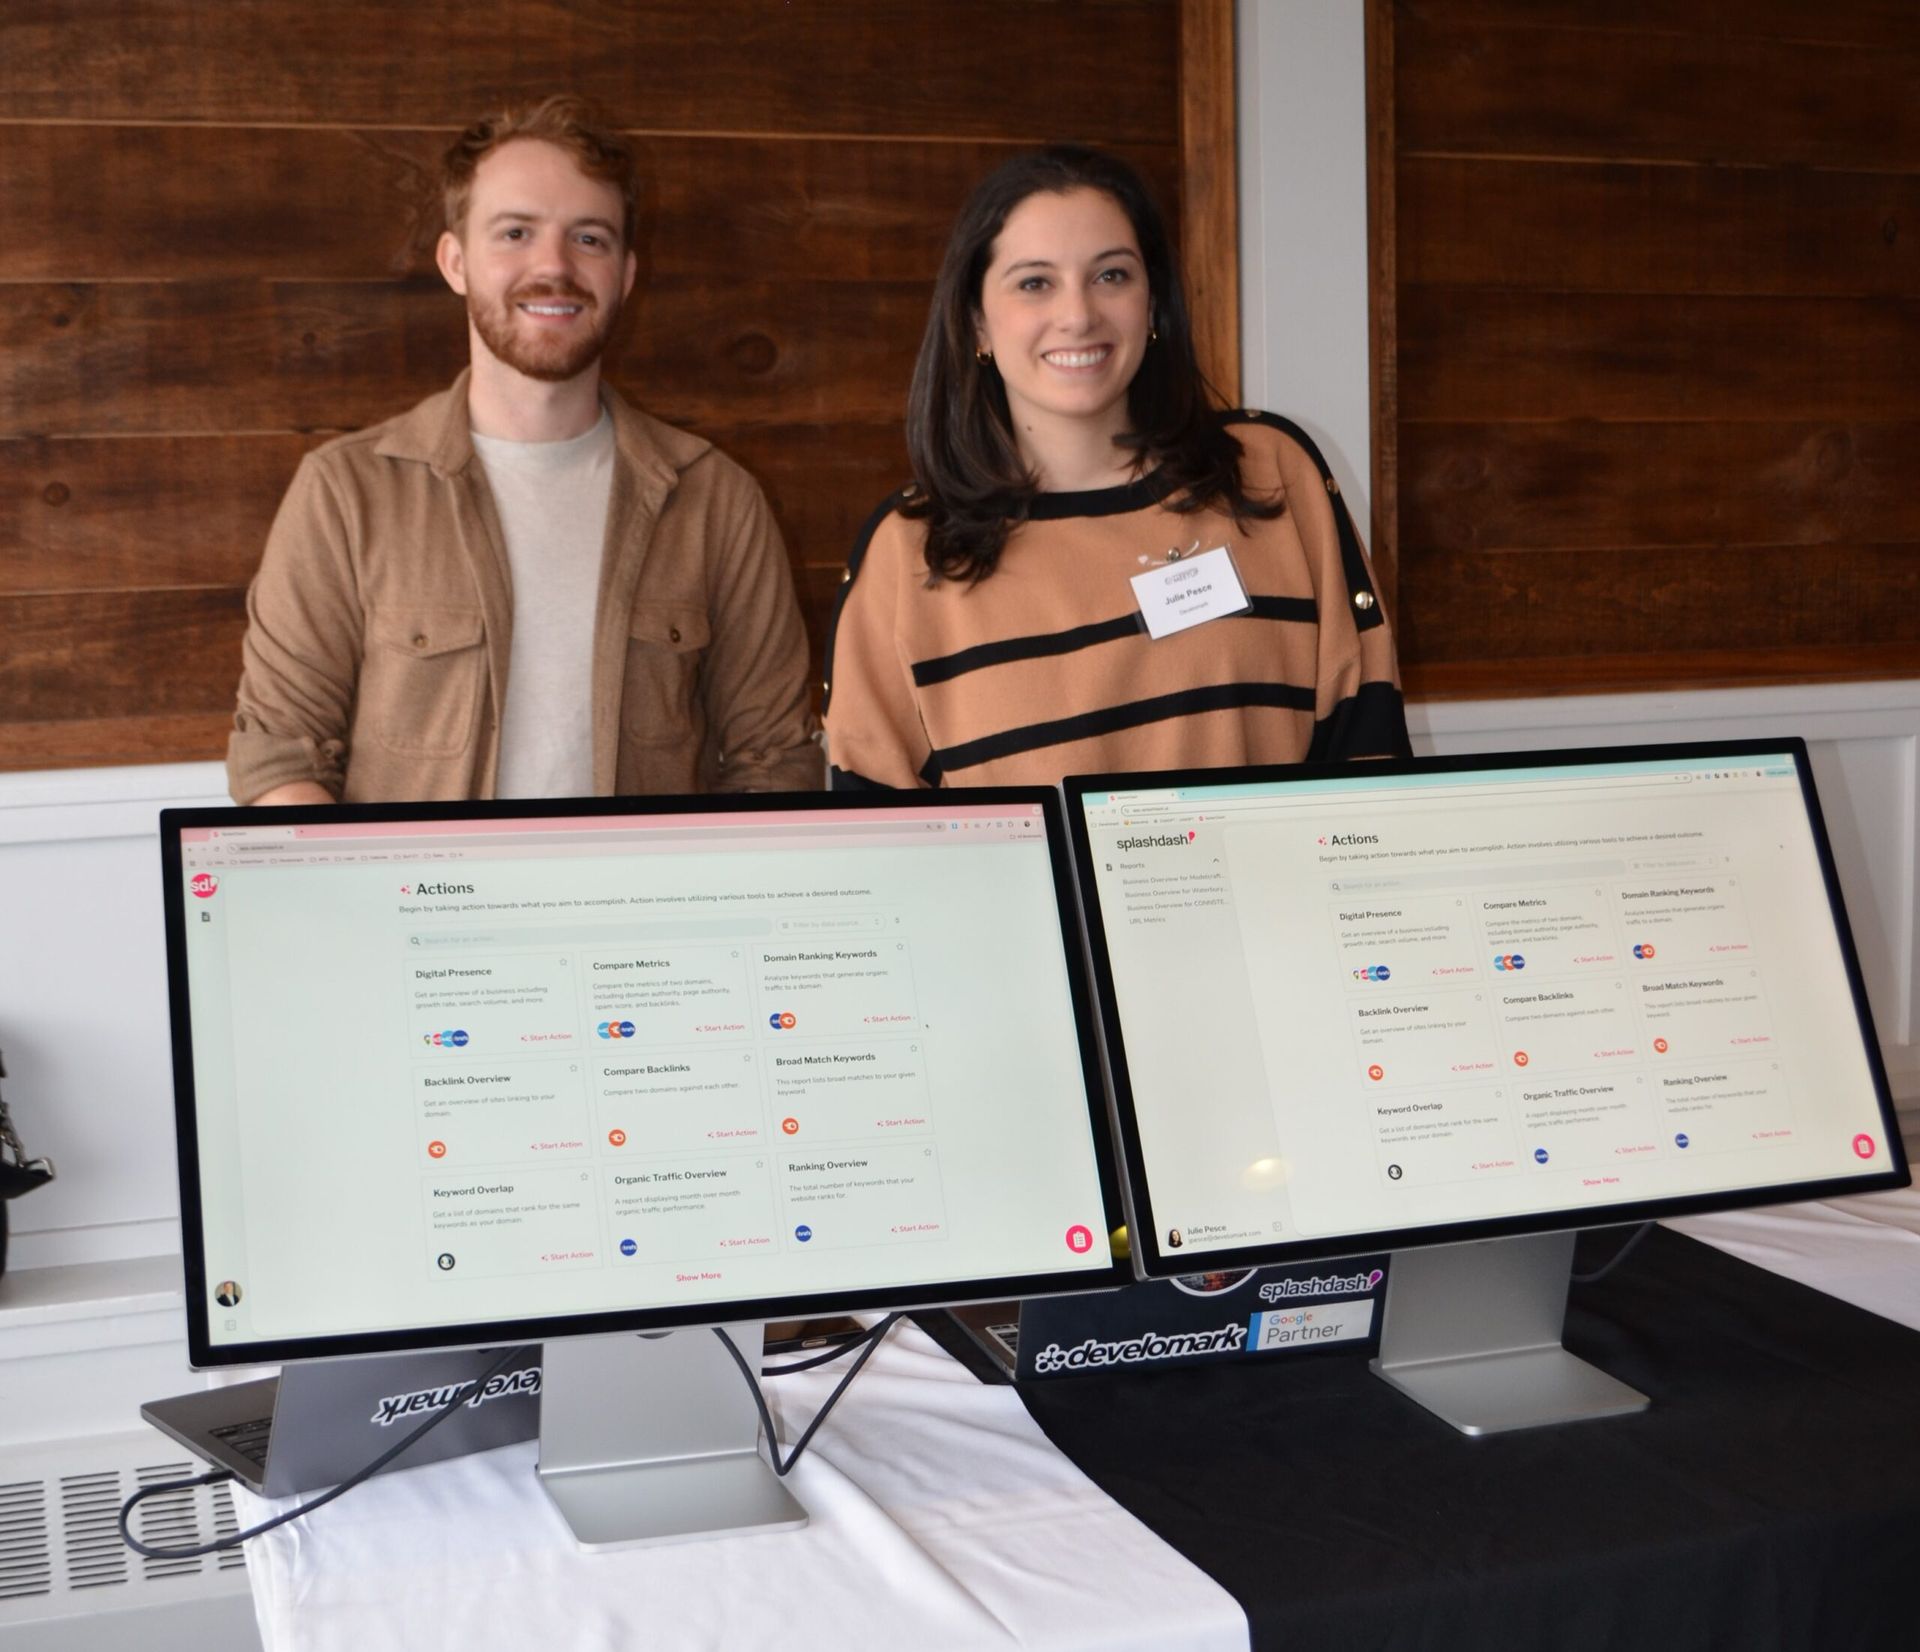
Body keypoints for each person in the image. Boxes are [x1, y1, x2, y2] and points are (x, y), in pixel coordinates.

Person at [229, 96, 819, 805]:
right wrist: (367, 910)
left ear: (626, 275)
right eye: (515, 233)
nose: (554, 267)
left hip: (637, 913)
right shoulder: (345, 493)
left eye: (590, 238)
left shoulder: (718, 501)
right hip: (419, 912)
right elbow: (279, 752)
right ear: (455, 262)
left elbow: (774, 761)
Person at [823, 146, 1408, 789]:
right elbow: (893, 850)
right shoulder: (905, 557)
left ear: (1153, 303)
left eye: (1111, 276)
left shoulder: (1272, 475)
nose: (1078, 316)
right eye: (1034, 282)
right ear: (977, 323)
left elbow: (1367, 763)